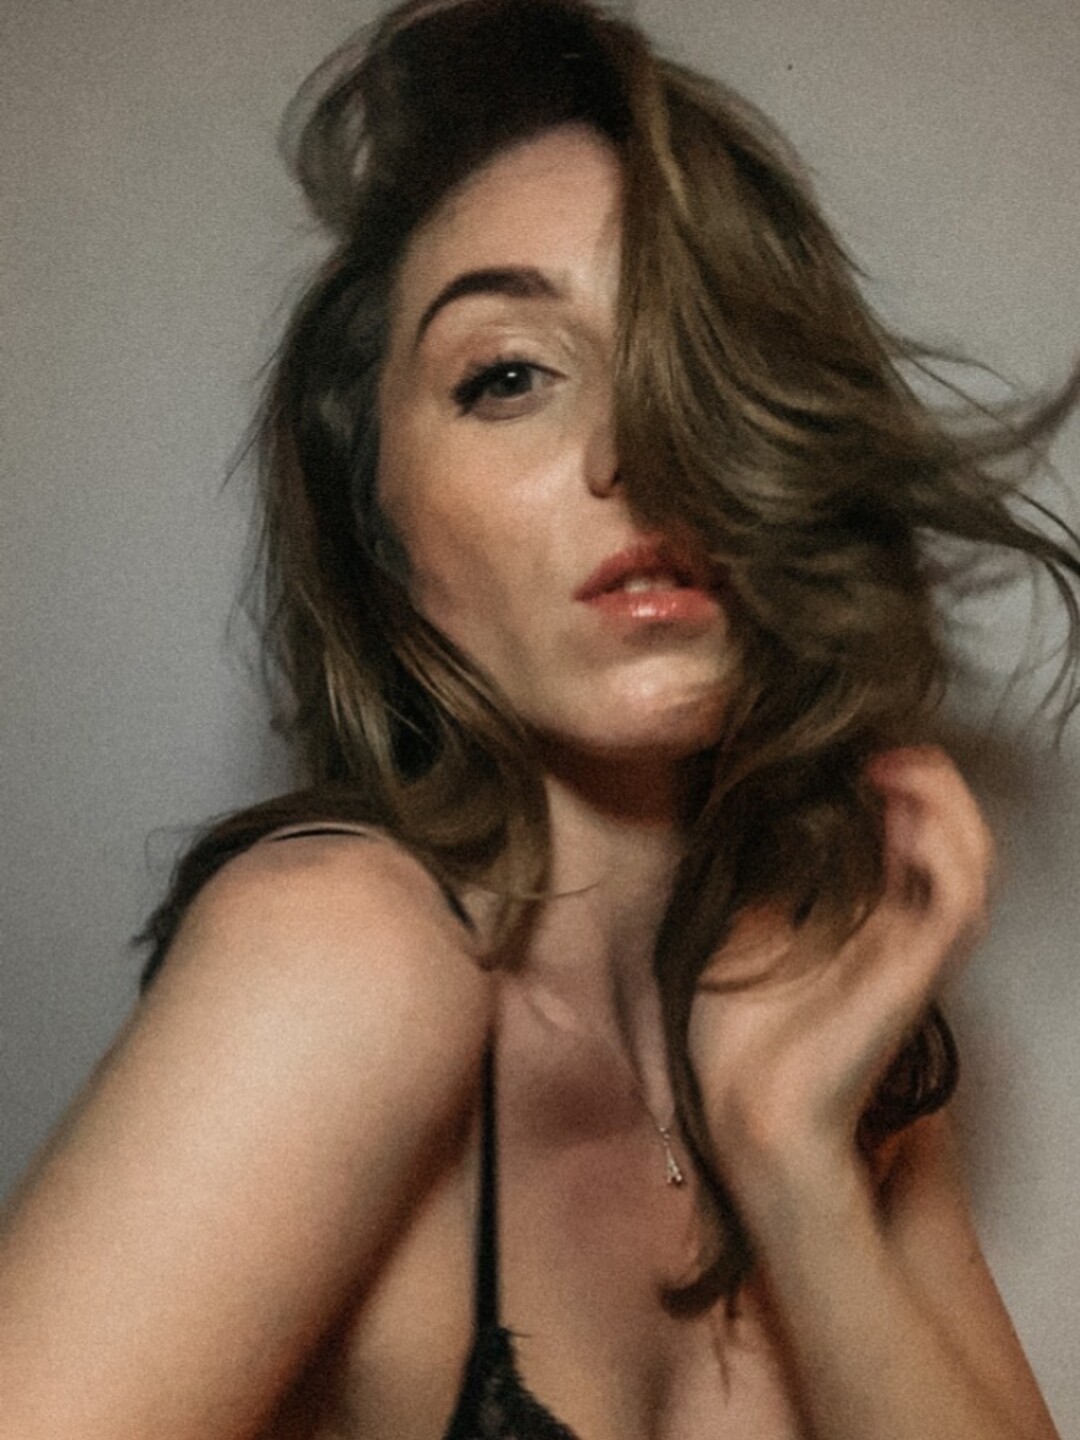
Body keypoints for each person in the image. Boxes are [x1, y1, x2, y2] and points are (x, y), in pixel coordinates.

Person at [1, 1, 1077, 1436]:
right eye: (507, 376)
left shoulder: (829, 1008)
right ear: (383, 537)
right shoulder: (342, 951)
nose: (636, 448)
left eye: (698, 365)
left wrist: (795, 1163)